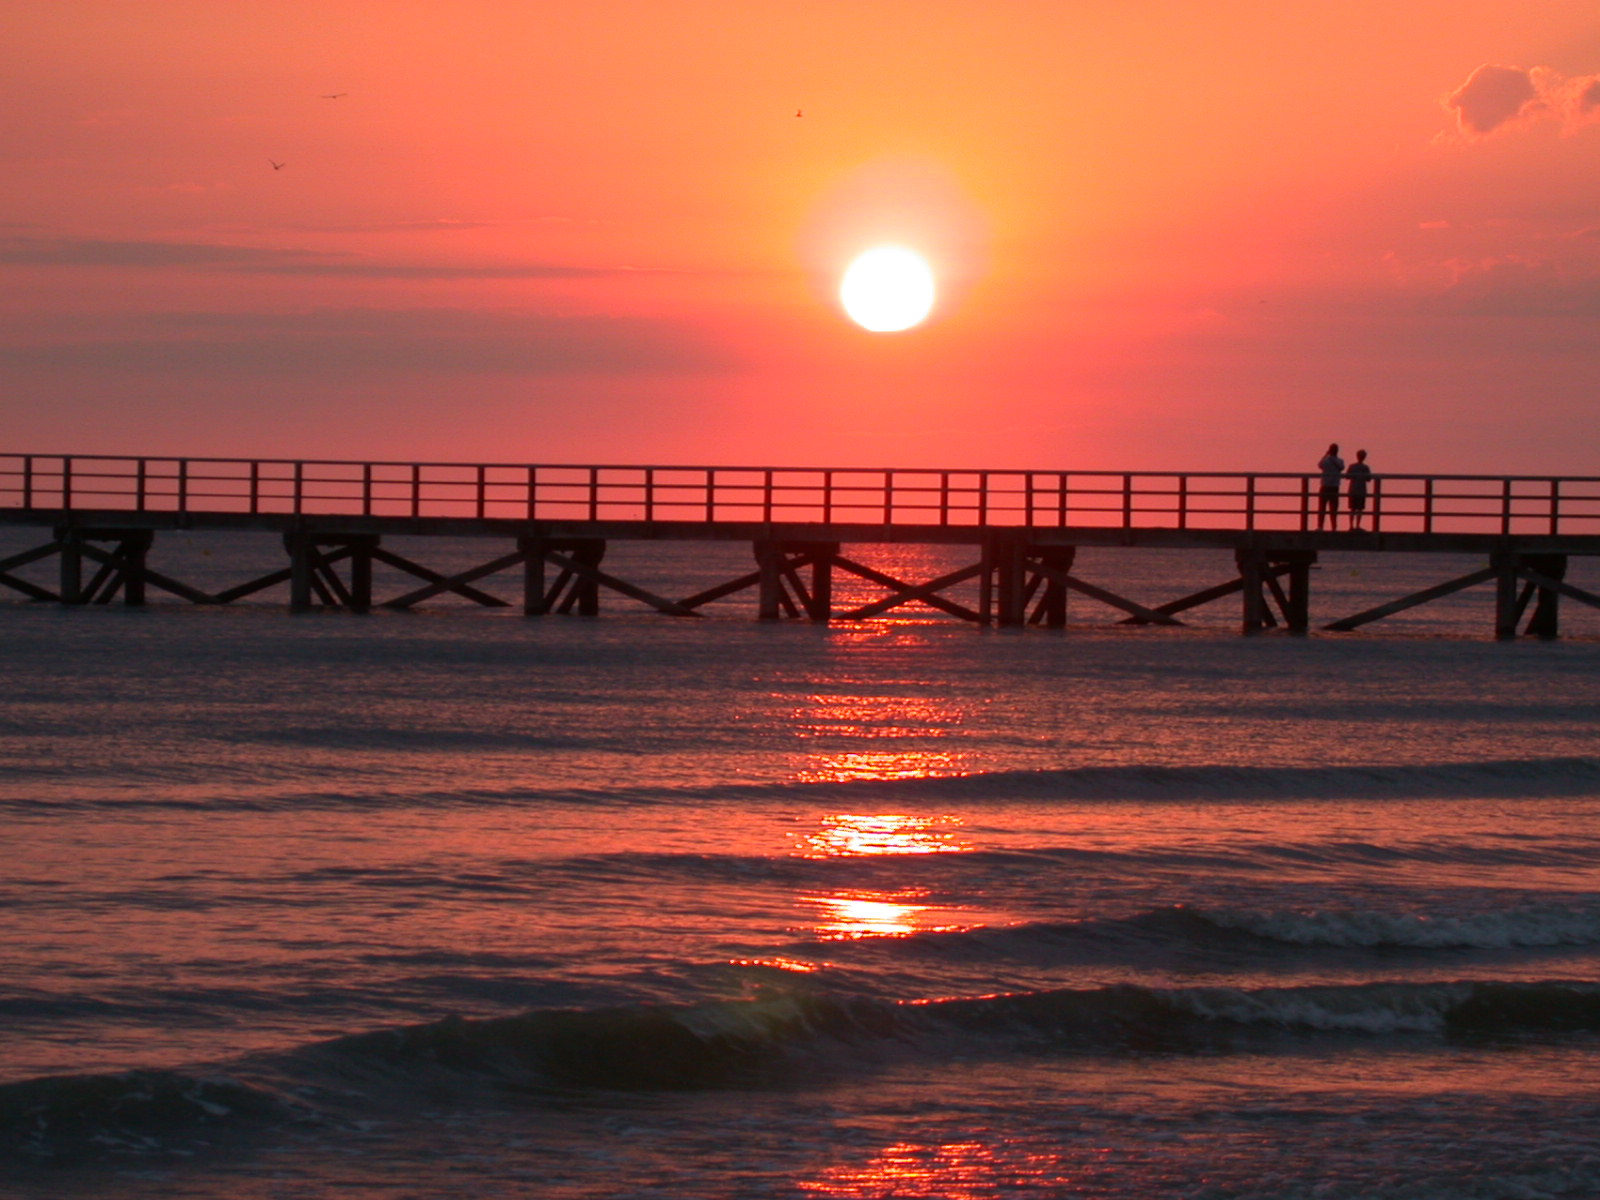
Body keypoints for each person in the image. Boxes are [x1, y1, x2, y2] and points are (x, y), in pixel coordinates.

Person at [1316, 443, 1344, 530]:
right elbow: (1342, 467)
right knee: (1333, 509)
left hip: (1326, 486)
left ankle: (1320, 526)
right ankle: (1333, 527)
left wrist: (1326, 455)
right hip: (1334, 487)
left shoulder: (1327, 461)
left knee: (1322, 508)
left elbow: (1319, 465)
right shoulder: (1340, 461)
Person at [1345, 449, 1372, 531]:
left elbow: (1347, 477)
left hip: (1353, 489)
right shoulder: (1365, 467)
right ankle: (1357, 525)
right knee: (1360, 509)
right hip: (1361, 490)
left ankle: (1351, 526)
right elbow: (1369, 479)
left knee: (1352, 509)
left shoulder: (1352, 466)